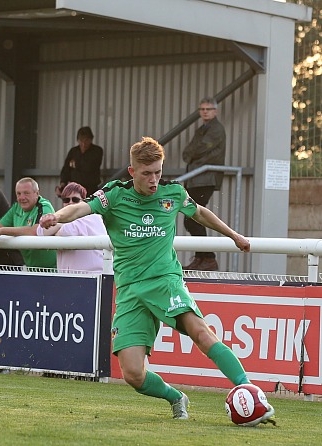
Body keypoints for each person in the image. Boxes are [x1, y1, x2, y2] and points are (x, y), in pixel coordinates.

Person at [40, 136, 274, 422]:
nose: (154, 180)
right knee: (133, 374)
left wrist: (234, 235)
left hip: (165, 280)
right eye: (147, 173)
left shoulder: (172, 193)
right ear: (132, 171)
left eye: (158, 172)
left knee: (200, 332)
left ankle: (247, 389)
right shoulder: (115, 194)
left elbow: (200, 212)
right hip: (129, 290)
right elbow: (80, 208)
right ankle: (176, 397)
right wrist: (58, 217)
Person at [182, 97, 226, 271]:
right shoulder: (203, 129)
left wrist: (193, 153)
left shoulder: (216, 129)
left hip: (205, 179)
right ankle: (202, 257)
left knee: (193, 217)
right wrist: (193, 153)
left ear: (215, 111)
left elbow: (198, 149)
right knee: (192, 218)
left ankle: (208, 258)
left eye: (208, 109)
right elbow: (187, 152)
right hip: (196, 178)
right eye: (202, 109)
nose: (205, 112)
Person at [0, 177, 57, 269]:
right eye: (18, 194)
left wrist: (1, 231)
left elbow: (35, 231)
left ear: (36, 193)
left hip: (52, 270)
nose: (22, 197)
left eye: (26, 193)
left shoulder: (44, 206)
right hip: (31, 269)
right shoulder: (16, 207)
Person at [36, 182, 107, 273]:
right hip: (70, 280)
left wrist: (58, 226)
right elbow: (40, 231)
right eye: (66, 200)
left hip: (95, 280)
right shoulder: (60, 218)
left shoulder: (93, 218)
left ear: (83, 202)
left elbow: (65, 233)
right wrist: (61, 224)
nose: (70, 203)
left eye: (75, 199)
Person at [58, 126, 104, 196]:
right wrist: (63, 182)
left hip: (90, 188)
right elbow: (66, 169)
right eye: (81, 140)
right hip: (74, 189)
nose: (83, 143)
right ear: (78, 140)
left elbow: (89, 167)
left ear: (91, 140)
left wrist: (75, 164)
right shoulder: (73, 151)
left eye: (86, 140)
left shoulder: (97, 151)